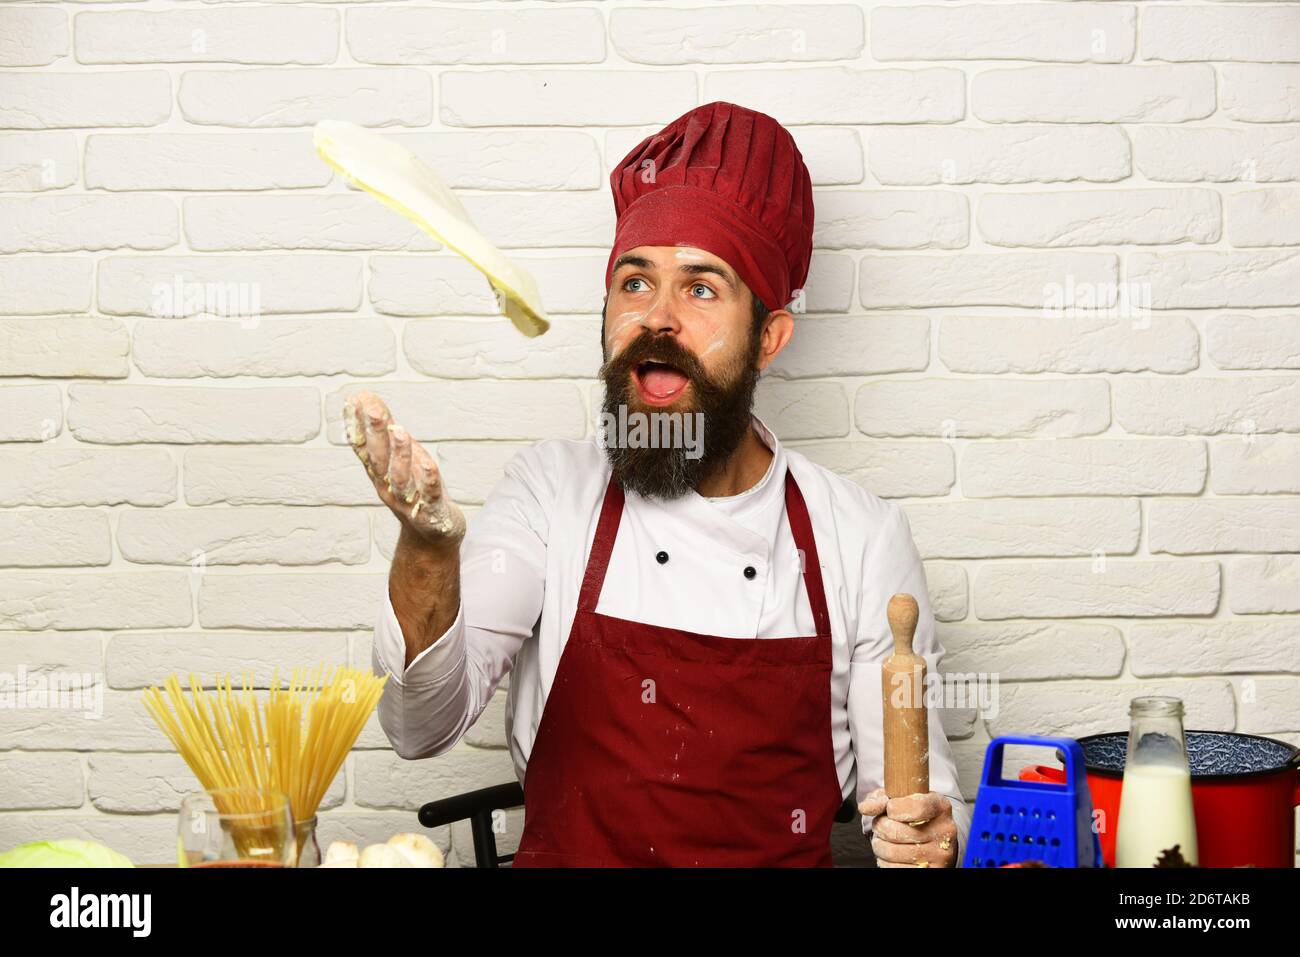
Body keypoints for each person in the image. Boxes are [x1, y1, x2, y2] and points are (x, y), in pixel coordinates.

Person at [348, 101, 971, 867]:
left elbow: (922, 794)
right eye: (634, 282)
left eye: (702, 289)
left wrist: (933, 830)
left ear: (769, 338)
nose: (658, 319)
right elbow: (418, 726)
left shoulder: (861, 537)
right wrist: (427, 553)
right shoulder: (552, 492)